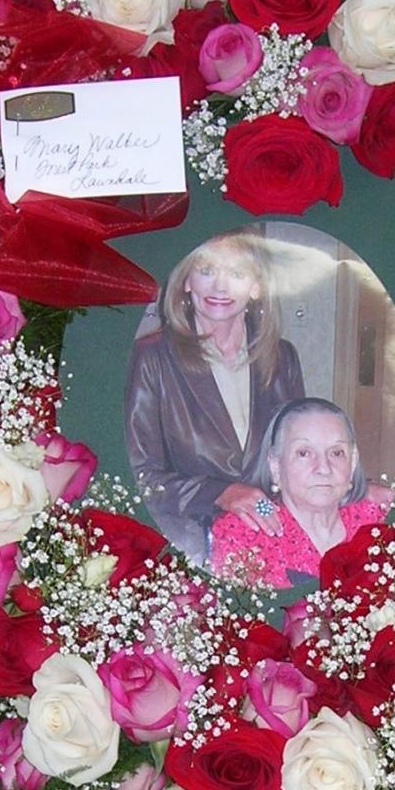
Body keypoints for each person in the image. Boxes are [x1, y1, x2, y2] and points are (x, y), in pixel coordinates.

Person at [124, 232, 305, 564]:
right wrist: (220, 493)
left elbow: (298, 460)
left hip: (273, 545)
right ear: (187, 280)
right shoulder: (151, 357)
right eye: (207, 270)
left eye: (236, 273)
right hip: (188, 551)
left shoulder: (283, 357)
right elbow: (139, 475)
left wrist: (356, 489)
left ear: (256, 287)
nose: (220, 286)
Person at [209, 398, 384, 588]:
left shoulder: (379, 522)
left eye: (336, 453)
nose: (324, 468)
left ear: (353, 462)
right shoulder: (243, 534)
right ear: (275, 466)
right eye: (304, 453)